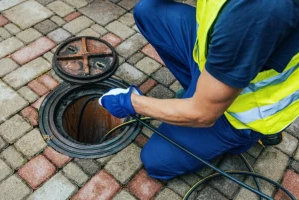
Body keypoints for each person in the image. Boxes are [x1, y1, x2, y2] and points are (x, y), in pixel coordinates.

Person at [99, 0, 299, 180]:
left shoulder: (256, 11)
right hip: (218, 57)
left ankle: (245, 140)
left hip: (243, 111)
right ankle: (201, 93)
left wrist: (131, 102)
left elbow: (203, 115)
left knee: (156, 161)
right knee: (149, 11)